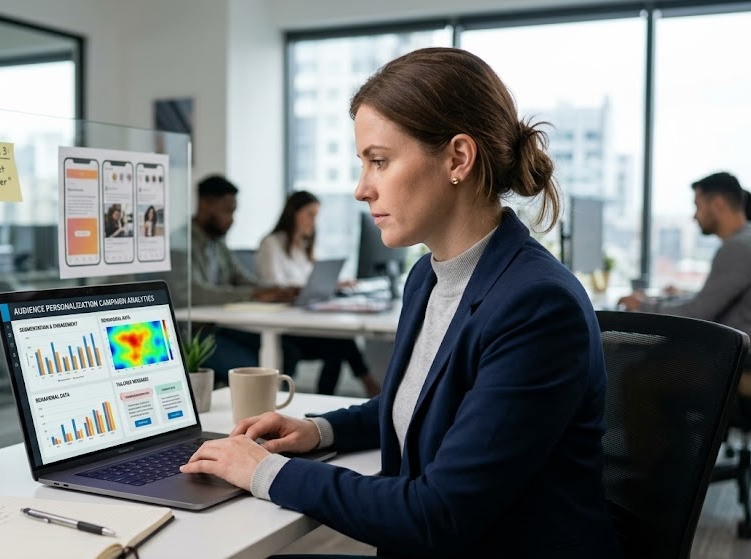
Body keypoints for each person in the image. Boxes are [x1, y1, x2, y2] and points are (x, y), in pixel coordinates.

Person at [182, 47, 619, 557]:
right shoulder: (428, 277)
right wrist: (317, 431)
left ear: (458, 158)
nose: (361, 189)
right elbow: (422, 405)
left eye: (379, 161)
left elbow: (436, 515)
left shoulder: (538, 306)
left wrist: (266, 472)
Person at [618, 172, 751, 381]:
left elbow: (697, 313)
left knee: (632, 373)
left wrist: (642, 307)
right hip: (748, 360)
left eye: (698, 205)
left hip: (742, 366)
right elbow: (708, 301)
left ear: (718, 204)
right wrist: (658, 301)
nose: (694, 216)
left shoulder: (740, 247)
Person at [256, 190, 380, 397]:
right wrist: (305, 289)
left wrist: (335, 284)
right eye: (310, 215)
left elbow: (313, 282)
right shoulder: (271, 244)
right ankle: (367, 385)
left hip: (305, 320)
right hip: (286, 327)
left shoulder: (304, 247)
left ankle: (328, 395)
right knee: (342, 341)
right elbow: (275, 287)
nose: (313, 222)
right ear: (293, 213)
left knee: (340, 342)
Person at [187, 175, 299, 385]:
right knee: (253, 366)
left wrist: (278, 289)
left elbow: (241, 279)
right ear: (205, 205)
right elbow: (197, 292)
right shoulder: (182, 243)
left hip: (220, 327)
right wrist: (254, 294)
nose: (232, 219)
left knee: (288, 351)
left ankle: (277, 406)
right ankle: (258, 411)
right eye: (227, 210)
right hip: (194, 335)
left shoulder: (217, 244)